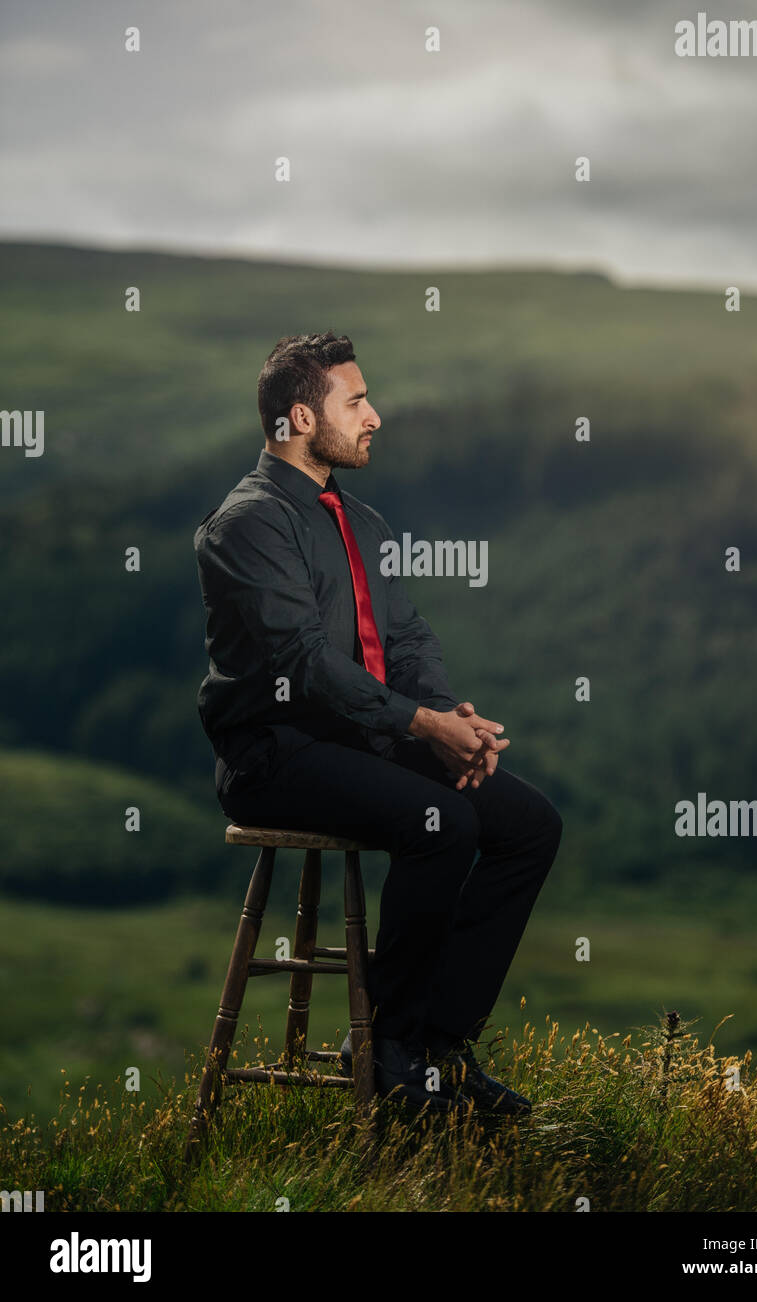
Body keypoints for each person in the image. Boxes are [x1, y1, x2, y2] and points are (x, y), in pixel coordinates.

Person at [193, 331, 562, 1114]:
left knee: (528, 824)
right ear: (299, 416)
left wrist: (446, 713)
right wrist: (423, 727)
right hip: (274, 754)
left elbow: (405, 635)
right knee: (441, 825)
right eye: (355, 401)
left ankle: (439, 1045)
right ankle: (394, 1055)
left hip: (365, 736)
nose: (375, 416)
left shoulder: (361, 520)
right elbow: (301, 665)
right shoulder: (246, 524)